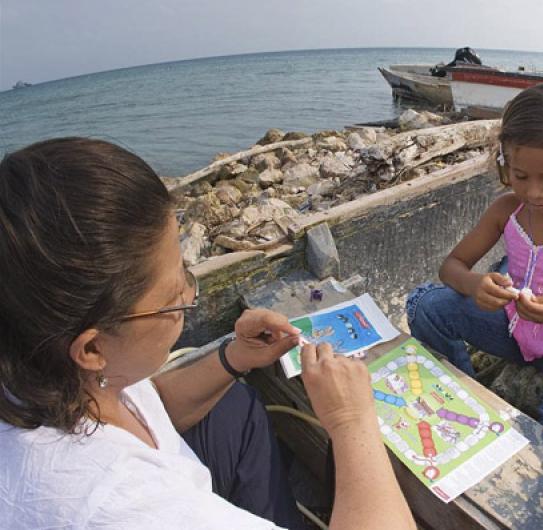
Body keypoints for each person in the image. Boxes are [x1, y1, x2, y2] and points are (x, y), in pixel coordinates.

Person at [0, 138, 415, 530]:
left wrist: (234, 358)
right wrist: (351, 421)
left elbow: (149, 408)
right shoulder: (120, 505)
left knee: (234, 404)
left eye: (186, 270)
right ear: (92, 348)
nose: (190, 297)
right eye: (173, 298)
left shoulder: (38, 359)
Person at [406, 84, 543, 447]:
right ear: (505, 163)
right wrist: (475, 286)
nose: (535, 193)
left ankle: (528, 452)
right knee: (424, 305)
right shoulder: (505, 211)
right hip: (512, 328)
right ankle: (466, 395)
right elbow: (452, 267)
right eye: (521, 175)